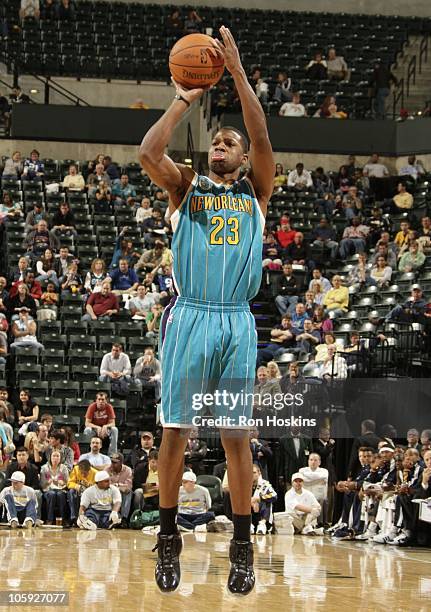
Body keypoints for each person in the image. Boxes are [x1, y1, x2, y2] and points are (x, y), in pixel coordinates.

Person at [139, 25, 273, 595]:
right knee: (176, 431)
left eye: (230, 143)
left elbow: (264, 139)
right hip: (190, 315)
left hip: (236, 319)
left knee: (236, 437)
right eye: (215, 141)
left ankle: (242, 541)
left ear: (242, 160)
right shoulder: (185, 189)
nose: (221, 145)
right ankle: (168, 536)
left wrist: (237, 76)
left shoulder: (255, 192)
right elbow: (147, 152)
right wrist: (184, 97)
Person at [40, 449, 69, 525]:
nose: (55, 458)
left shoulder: (64, 468)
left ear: (60, 458)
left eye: (57, 456)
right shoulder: (44, 468)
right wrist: (47, 482)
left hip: (60, 489)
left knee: (60, 495)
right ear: (50, 457)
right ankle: (49, 519)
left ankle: (63, 519)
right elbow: (42, 484)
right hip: (48, 490)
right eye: (54, 456)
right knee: (52, 494)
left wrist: (63, 483)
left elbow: (68, 482)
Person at [66, 459, 97, 526]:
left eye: (85, 473)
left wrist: (89, 488)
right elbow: (69, 483)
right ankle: (73, 518)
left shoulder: (96, 473)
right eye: (81, 473)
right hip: (78, 492)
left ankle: (88, 518)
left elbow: (99, 488)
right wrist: (77, 486)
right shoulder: (76, 469)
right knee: (71, 491)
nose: (83, 475)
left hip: (90, 495)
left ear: (89, 470)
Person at [250, 464, 277, 534]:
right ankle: (248, 525)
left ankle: (262, 524)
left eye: (254, 473)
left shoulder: (265, 484)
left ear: (259, 473)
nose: (252, 475)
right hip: (250, 514)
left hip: (261, 513)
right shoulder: (244, 484)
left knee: (267, 501)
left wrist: (259, 499)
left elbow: (274, 496)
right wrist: (251, 502)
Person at [107, 452, 133, 527]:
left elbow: (128, 487)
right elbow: (106, 485)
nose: (112, 464)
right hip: (110, 493)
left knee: (128, 492)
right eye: (111, 461)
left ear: (121, 462)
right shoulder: (107, 470)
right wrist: (119, 486)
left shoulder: (127, 470)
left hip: (123, 492)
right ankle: (116, 517)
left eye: (115, 462)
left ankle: (124, 519)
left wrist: (115, 485)